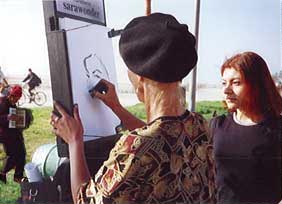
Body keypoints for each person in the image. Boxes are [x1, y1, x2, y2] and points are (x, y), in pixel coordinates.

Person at [51, 13, 216, 204]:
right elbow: (162, 139)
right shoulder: (199, 125)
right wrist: (116, 107)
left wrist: (74, 141)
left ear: (141, 78)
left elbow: (85, 201)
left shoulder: (134, 147)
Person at [211, 52, 282, 204]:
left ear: (257, 85)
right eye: (224, 83)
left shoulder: (277, 129)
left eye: (236, 83)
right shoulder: (217, 125)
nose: (226, 90)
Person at [0, 85, 26, 184]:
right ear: (11, 96)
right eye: (16, 98)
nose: (17, 100)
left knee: (22, 153)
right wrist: (7, 117)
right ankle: (2, 172)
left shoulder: (12, 104)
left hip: (14, 134)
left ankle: (18, 176)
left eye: (18, 98)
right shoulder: (2, 102)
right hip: (4, 135)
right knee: (13, 156)